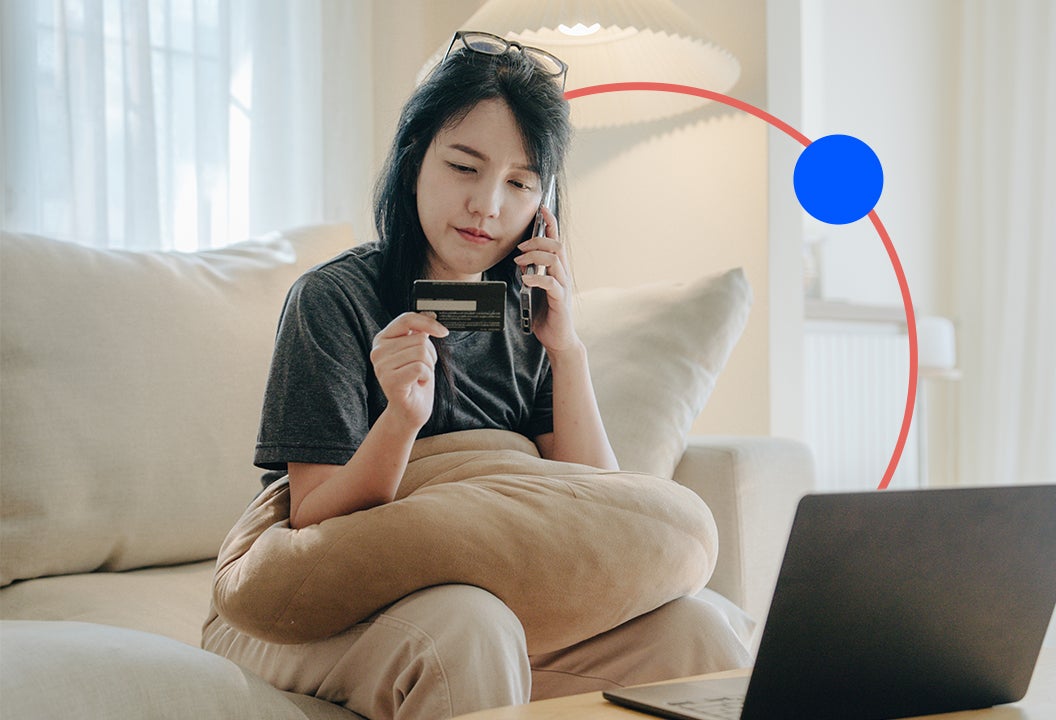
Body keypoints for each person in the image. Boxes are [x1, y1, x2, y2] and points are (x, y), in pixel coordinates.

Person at [202, 31, 750, 720]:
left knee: (695, 632)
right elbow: (315, 517)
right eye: (464, 167)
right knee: (470, 624)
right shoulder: (334, 300)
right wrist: (402, 418)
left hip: (483, 602)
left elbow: (596, 503)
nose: (488, 205)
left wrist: (567, 349)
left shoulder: (529, 320)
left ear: (543, 202)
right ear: (413, 163)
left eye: (520, 183)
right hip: (309, 609)